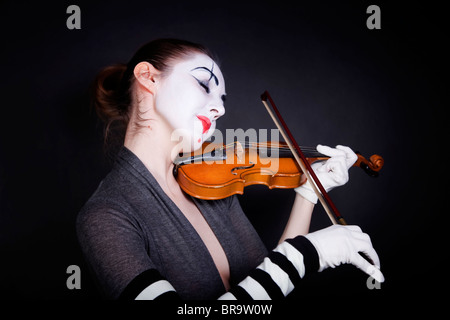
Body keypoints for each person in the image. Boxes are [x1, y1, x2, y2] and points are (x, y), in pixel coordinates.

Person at [77, 38, 384, 300]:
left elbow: (266, 284)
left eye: (222, 98)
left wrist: (309, 191)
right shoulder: (106, 215)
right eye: (203, 84)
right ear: (149, 77)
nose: (220, 108)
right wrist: (307, 254)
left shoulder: (210, 184)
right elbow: (288, 265)